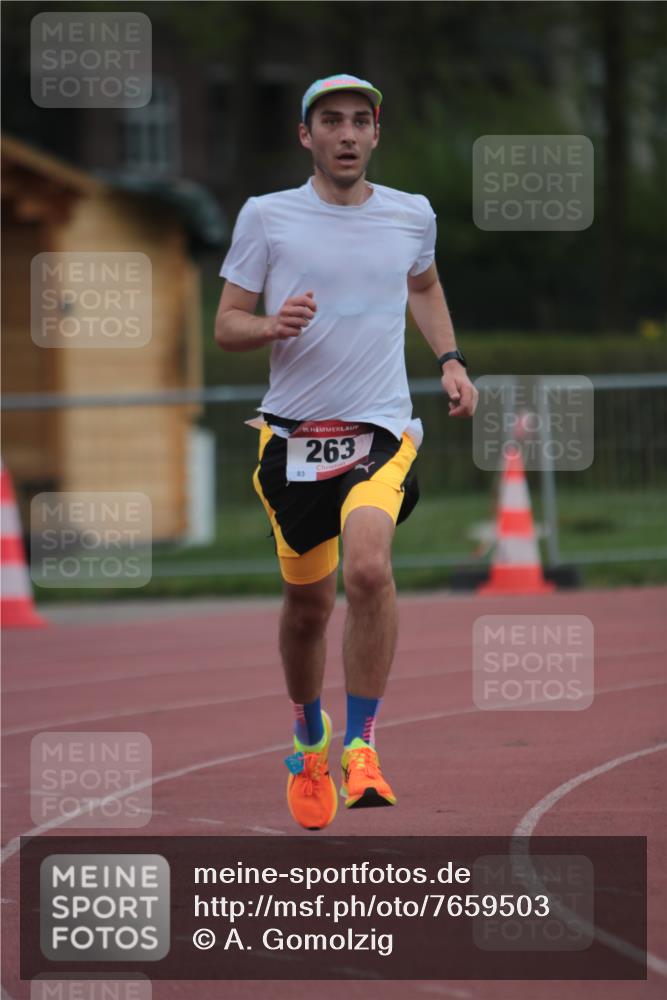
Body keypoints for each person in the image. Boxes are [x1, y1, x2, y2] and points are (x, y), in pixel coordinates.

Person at [215, 73, 477, 831]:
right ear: (307, 136)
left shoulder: (410, 214)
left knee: (368, 567)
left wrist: (451, 359)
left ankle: (362, 744)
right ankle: (308, 743)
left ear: (375, 134)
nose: (347, 134)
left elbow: (422, 287)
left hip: (380, 428)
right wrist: (270, 326)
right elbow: (227, 323)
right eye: (330, 121)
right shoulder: (267, 217)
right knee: (307, 608)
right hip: (293, 439)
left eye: (360, 121)